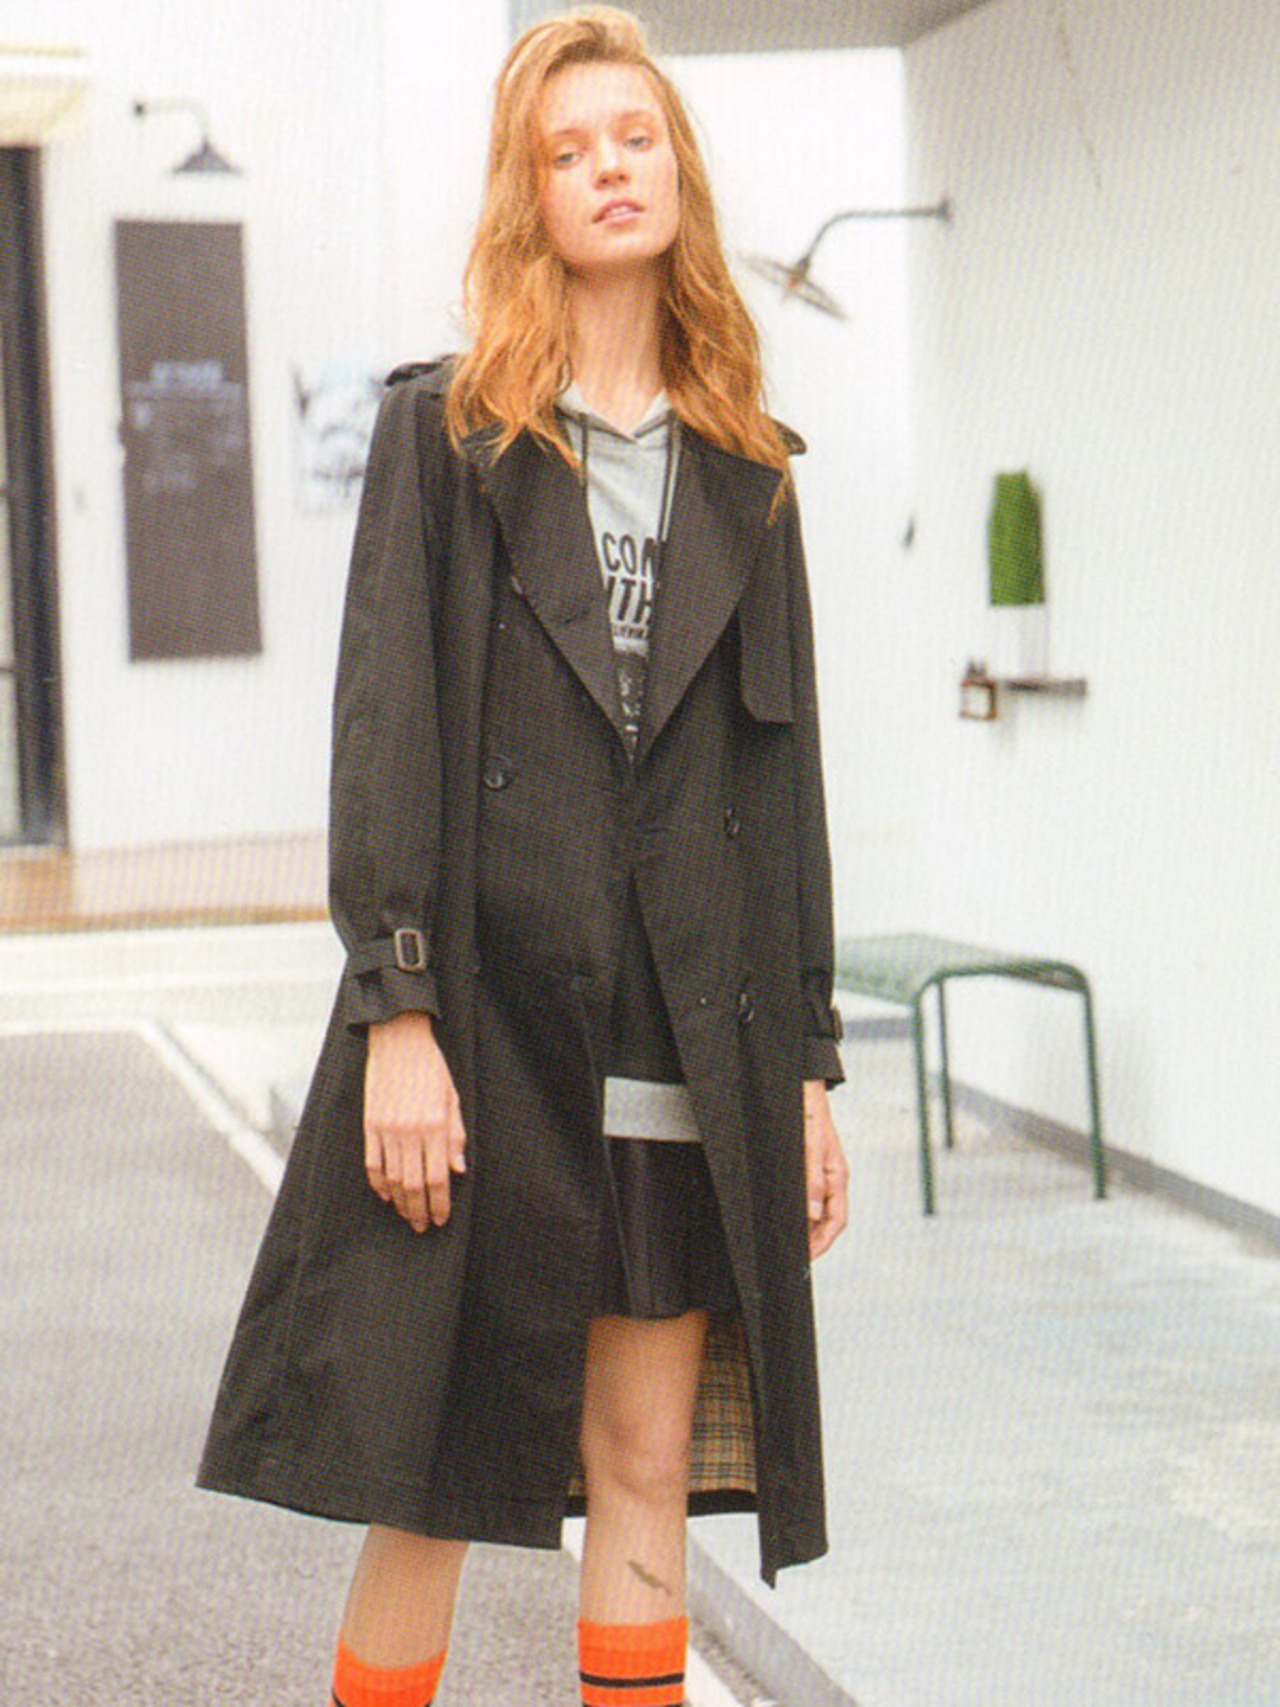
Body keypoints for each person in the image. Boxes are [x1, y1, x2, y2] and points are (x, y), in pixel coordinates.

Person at [198, 9, 849, 1705]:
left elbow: (784, 793)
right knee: (429, 1473)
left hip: (686, 1039)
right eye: (570, 150)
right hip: (492, 1037)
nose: (609, 169)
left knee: (644, 1464)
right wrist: (396, 1017)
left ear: (678, 173)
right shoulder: (451, 435)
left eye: (635, 138)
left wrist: (804, 1069)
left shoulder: (748, 470)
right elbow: (386, 739)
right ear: (530, 196)